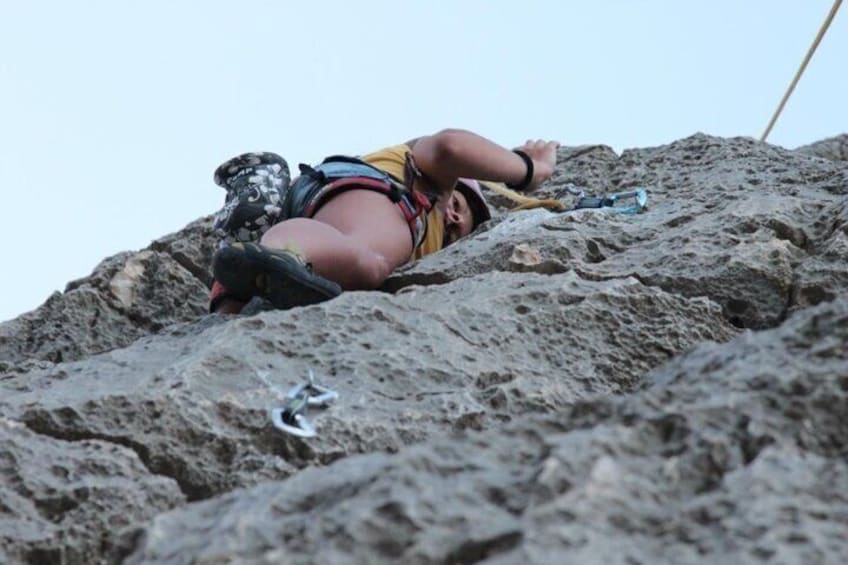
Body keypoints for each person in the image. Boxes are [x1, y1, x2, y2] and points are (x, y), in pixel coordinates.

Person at [210, 129, 559, 313]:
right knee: (368, 261)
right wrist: (530, 170)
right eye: (460, 207)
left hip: (314, 204)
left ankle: (244, 275)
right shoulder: (423, 175)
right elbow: (450, 147)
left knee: (246, 301)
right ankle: (277, 252)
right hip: (372, 193)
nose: (452, 218)